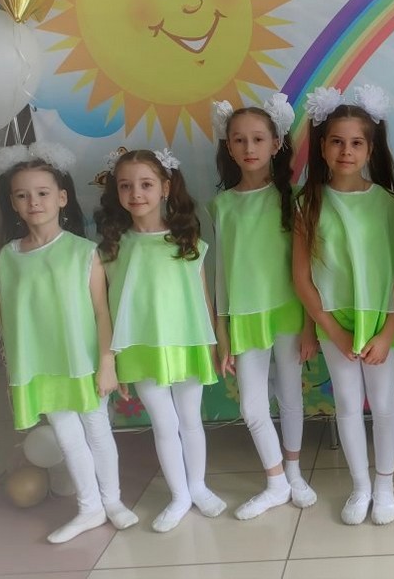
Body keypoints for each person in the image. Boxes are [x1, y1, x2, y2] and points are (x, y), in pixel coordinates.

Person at [0, 143, 138, 543]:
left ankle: (113, 501)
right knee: (69, 438)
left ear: (61, 197)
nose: (33, 202)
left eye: (42, 193)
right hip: (41, 366)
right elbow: (9, 319)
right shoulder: (6, 258)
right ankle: (89, 508)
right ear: (13, 203)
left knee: (97, 430)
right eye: (22, 195)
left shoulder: (83, 252)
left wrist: (107, 362)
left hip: (82, 360)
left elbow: (102, 312)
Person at [292, 85, 394, 525]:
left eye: (356, 143)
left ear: (370, 149)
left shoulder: (391, 205)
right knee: (346, 403)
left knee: (384, 404)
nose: (346, 151)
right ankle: (360, 487)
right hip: (333, 320)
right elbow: (302, 278)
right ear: (322, 147)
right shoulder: (308, 203)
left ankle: (385, 484)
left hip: (380, 319)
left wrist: (388, 331)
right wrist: (331, 329)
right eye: (337, 142)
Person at [96, 148, 225, 532]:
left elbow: (202, 295)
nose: (136, 193)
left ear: (165, 188)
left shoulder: (187, 239)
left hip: (186, 342)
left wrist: (213, 342)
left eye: (146, 184)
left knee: (190, 419)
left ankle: (198, 486)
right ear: (116, 192)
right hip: (140, 348)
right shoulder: (111, 247)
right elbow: (107, 307)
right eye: (126, 186)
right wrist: (114, 359)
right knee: (164, 424)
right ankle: (179, 495)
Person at [209, 94, 318, 520]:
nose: (249, 147)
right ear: (229, 147)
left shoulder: (294, 199)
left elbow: (307, 271)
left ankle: (293, 472)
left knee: (290, 396)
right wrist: (222, 333)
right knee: (252, 406)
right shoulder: (221, 205)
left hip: (288, 312)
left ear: (276, 144)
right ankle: (275, 482)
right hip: (244, 317)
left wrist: (309, 325)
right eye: (239, 140)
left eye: (257, 139)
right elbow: (220, 272)